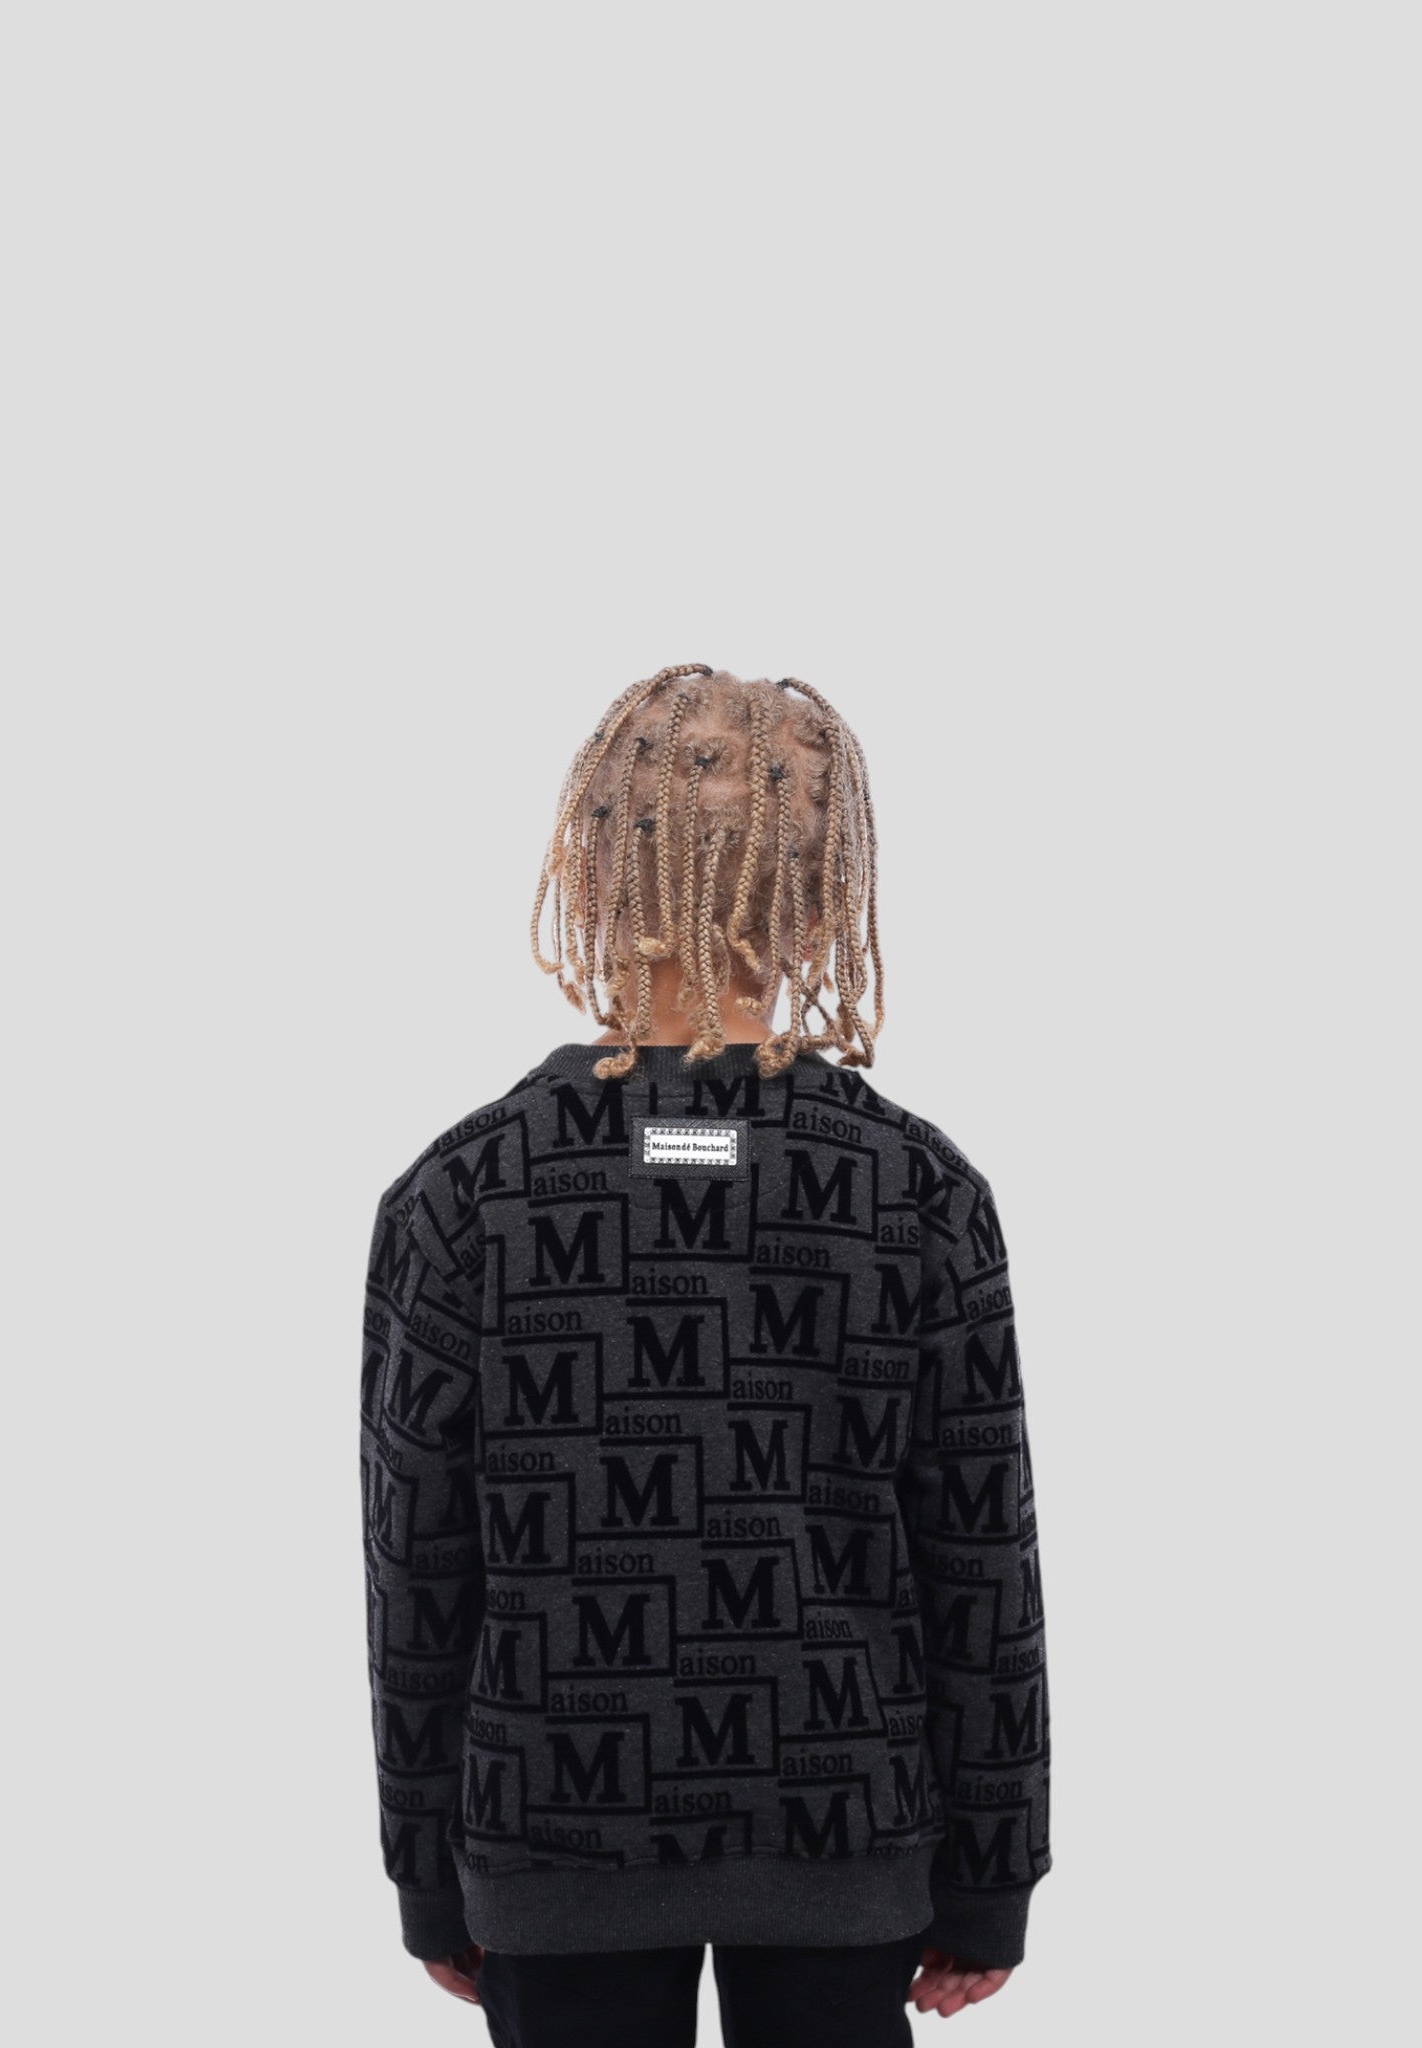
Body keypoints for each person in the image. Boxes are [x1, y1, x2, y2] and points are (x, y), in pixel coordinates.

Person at [359, 663, 1051, 2045]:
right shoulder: (915, 1188)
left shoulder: (465, 1193)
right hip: (847, 1822)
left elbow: (416, 1566)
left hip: (552, 1835)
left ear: (589, 869)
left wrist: (428, 1871)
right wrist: (992, 1873)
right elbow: (981, 1553)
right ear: (824, 896)